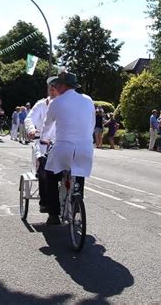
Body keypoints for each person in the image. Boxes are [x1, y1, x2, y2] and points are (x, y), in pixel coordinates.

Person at [41, 71, 95, 225]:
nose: (55, 87)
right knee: (79, 174)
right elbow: (91, 124)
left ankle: (53, 214)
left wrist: (44, 139)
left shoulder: (56, 102)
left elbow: (47, 125)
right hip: (85, 148)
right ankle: (77, 206)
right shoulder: (88, 100)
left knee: (50, 175)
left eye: (57, 84)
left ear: (62, 85)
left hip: (63, 148)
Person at [25, 76, 60, 213]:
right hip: (43, 144)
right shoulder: (41, 104)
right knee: (44, 170)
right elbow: (29, 118)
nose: (52, 89)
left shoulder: (64, 105)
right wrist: (32, 129)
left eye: (55, 86)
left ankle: (75, 201)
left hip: (61, 144)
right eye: (50, 87)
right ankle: (44, 202)